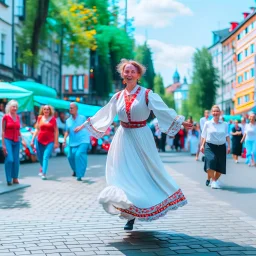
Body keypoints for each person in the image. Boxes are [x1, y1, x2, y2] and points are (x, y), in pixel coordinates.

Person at [75, 59, 192, 230]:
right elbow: (105, 113)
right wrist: (86, 124)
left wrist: (179, 122)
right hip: (123, 137)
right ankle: (129, 213)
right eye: (126, 71)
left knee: (145, 172)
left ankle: (151, 202)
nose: (129, 74)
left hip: (141, 136)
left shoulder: (146, 94)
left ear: (138, 75)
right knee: (122, 173)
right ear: (123, 75)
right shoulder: (118, 97)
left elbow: (162, 110)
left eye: (132, 71)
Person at [200, 105, 230, 189]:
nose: (215, 113)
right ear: (211, 113)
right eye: (214, 111)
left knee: (220, 167)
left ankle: (214, 180)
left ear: (220, 113)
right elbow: (204, 135)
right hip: (210, 146)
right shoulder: (207, 123)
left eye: (217, 111)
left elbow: (227, 135)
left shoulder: (225, 124)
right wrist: (202, 145)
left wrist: (229, 146)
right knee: (211, 161)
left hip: (221, 147)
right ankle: (213, 181)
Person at [63, 103, 90, 181]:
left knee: (78, 155)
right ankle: (75, 170)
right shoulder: (68, 120)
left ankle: (79, 175)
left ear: (76, 109)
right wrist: (64, 140)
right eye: (70, 108)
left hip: (83, 140)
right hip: (73, 142)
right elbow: (67, 131)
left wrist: (80, 128)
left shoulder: (82, 118)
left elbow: (87, 125)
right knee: (70, 157)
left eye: (72, 108)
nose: (70, 109)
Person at [31, 105, 59, 180]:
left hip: (50, 141)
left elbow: (56, 131)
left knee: (45, 157)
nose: (46, 111)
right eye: (45, 109)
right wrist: (32, 140)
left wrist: (56, 142)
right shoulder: (39, 117)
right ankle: (42, 168)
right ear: (42, 110)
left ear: (50, 111)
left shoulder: (53, 119)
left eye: (48, 109)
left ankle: (43, 173)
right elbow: (37, 129)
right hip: (39, 140)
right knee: (40, 157)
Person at [1, 100, 21, 186]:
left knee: (16, 160)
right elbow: (3, 131)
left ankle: (15, 178)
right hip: (8, 140)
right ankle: (8, 179)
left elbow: (18, 130)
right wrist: (3, 145)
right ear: (9, 107)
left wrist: (23, 140)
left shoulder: (18, 117)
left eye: (16, 106)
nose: (15, 108)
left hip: (17, 140)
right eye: (13, 106)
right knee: (10, 159)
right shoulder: (5, 117)